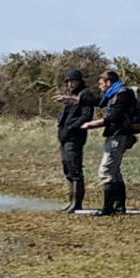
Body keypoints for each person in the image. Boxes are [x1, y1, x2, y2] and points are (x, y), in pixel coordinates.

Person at [91, 65, 140, 215]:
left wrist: (93, 124)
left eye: (101, 83)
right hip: (117, 135)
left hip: (118, 135)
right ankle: (119, 206)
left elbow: (114, 117)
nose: (99, 86)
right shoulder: (114, 94)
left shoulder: (122, 94)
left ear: (108, 82)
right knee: (115, 171)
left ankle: (108, 208)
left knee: (106, 171)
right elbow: (98, 101)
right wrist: (75, 99)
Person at [52, 68, 99, 213]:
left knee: (74, 168)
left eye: (72, 81)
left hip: (75, 137)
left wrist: (73, 127)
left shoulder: (85, 95)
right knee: (67, 168)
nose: (70, 84)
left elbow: (86, 115)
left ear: (79, 81)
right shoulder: (71, 96)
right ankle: (70, 201)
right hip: (64, 137)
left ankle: (76, 203)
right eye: (68, 82)